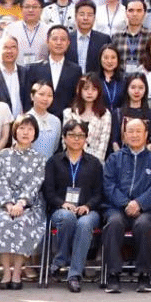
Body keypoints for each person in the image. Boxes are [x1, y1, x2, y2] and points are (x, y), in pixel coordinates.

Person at [102, 118, 151, 293]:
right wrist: (125, 203)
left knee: (143, 224)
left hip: (146, 209)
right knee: (114, 223)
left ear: (146, 135)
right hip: (117, 207)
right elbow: (108, 186)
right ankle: (113, 274)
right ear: (124, 135)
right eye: (130, 131)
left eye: (138, 131)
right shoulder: (114, 158)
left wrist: (139, 203)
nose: (134, 135)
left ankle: (144, 275)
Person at [0, 115, 47, 290]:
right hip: (4, 204)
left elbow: (35, 184)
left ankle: (17, 272)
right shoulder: (3, 155)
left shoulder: (40, 158)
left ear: (35, 133)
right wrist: (8, 205)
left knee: (22, 222)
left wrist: (21, 203)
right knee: (4, 221)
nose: (25, 132)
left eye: (30, 129)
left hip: (30, 205)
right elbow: (1, 181)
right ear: (15, 131)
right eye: (22, 128)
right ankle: (6, 272)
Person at [43, 120, 104, 293]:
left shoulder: (94, 163)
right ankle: (62, 258)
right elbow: (48, 192)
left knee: (84, 223)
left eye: (80, 135)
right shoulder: (54, 162)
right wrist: (62, 204)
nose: (76, 139)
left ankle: (74, 274)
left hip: (88, 211)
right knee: (67, 217)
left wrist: (88, 206)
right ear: (64, 138)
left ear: (86, 138)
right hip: (60, 210)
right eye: (72, 135)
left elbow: (99, 193)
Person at [24, 24, 83, 118]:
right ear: (47, 41)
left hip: (66, 119)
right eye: (55, 39)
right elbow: (28, 97)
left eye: (63, 39)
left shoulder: (76, 70)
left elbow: (77, 98)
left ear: (68, 43)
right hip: (38, 119)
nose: (59, 43)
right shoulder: (34, 68)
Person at [65, 73, 114, 161]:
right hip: (71, 160)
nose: (90, 92)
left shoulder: (105, 114)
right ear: (79, 90)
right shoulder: (69, 113)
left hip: (95, 162)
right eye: (86, 89)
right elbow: (65, 141)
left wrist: (92, 164)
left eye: (94, 89)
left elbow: (103, 145)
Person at [114, 74, 151, 148]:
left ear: (145, 90)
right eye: (133, 87)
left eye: (141, 88)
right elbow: (115, 142)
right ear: (127, 89)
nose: (136, 91)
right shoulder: (118, 113)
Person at [68, 0, 112, 75]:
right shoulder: (67, 39)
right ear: (75, 17)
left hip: (96, 81)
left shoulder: (104, 39)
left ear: (94, 18)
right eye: (82, 14)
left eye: (90, 15)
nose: (85, 18)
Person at [2, 0, 48, 65]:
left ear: (41, 10)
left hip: (42, 69)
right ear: (21, 9)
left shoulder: (48, 30)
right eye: (27, 7)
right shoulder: (11, 28)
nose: (31, 10)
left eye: (34, 7)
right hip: (16, 68)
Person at [0, 34, 26, 118]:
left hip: (21, 123)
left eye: (13, 47)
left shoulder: (25, 72)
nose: (9, 51)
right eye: (5, 47)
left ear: (18, 51)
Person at [112, 0, 151, 73]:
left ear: (145, 14)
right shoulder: (116, 37)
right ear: (126, 13)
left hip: (145, 78)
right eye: (131, 10)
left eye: (139, 11)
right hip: (121, 78)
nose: (135, 14)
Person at [26, 81, 62, 156]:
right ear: (32, 96)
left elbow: (55, 147)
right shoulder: (24, 119)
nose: (45, 99)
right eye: (41, 94)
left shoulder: (56, 121)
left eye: (49, 95)